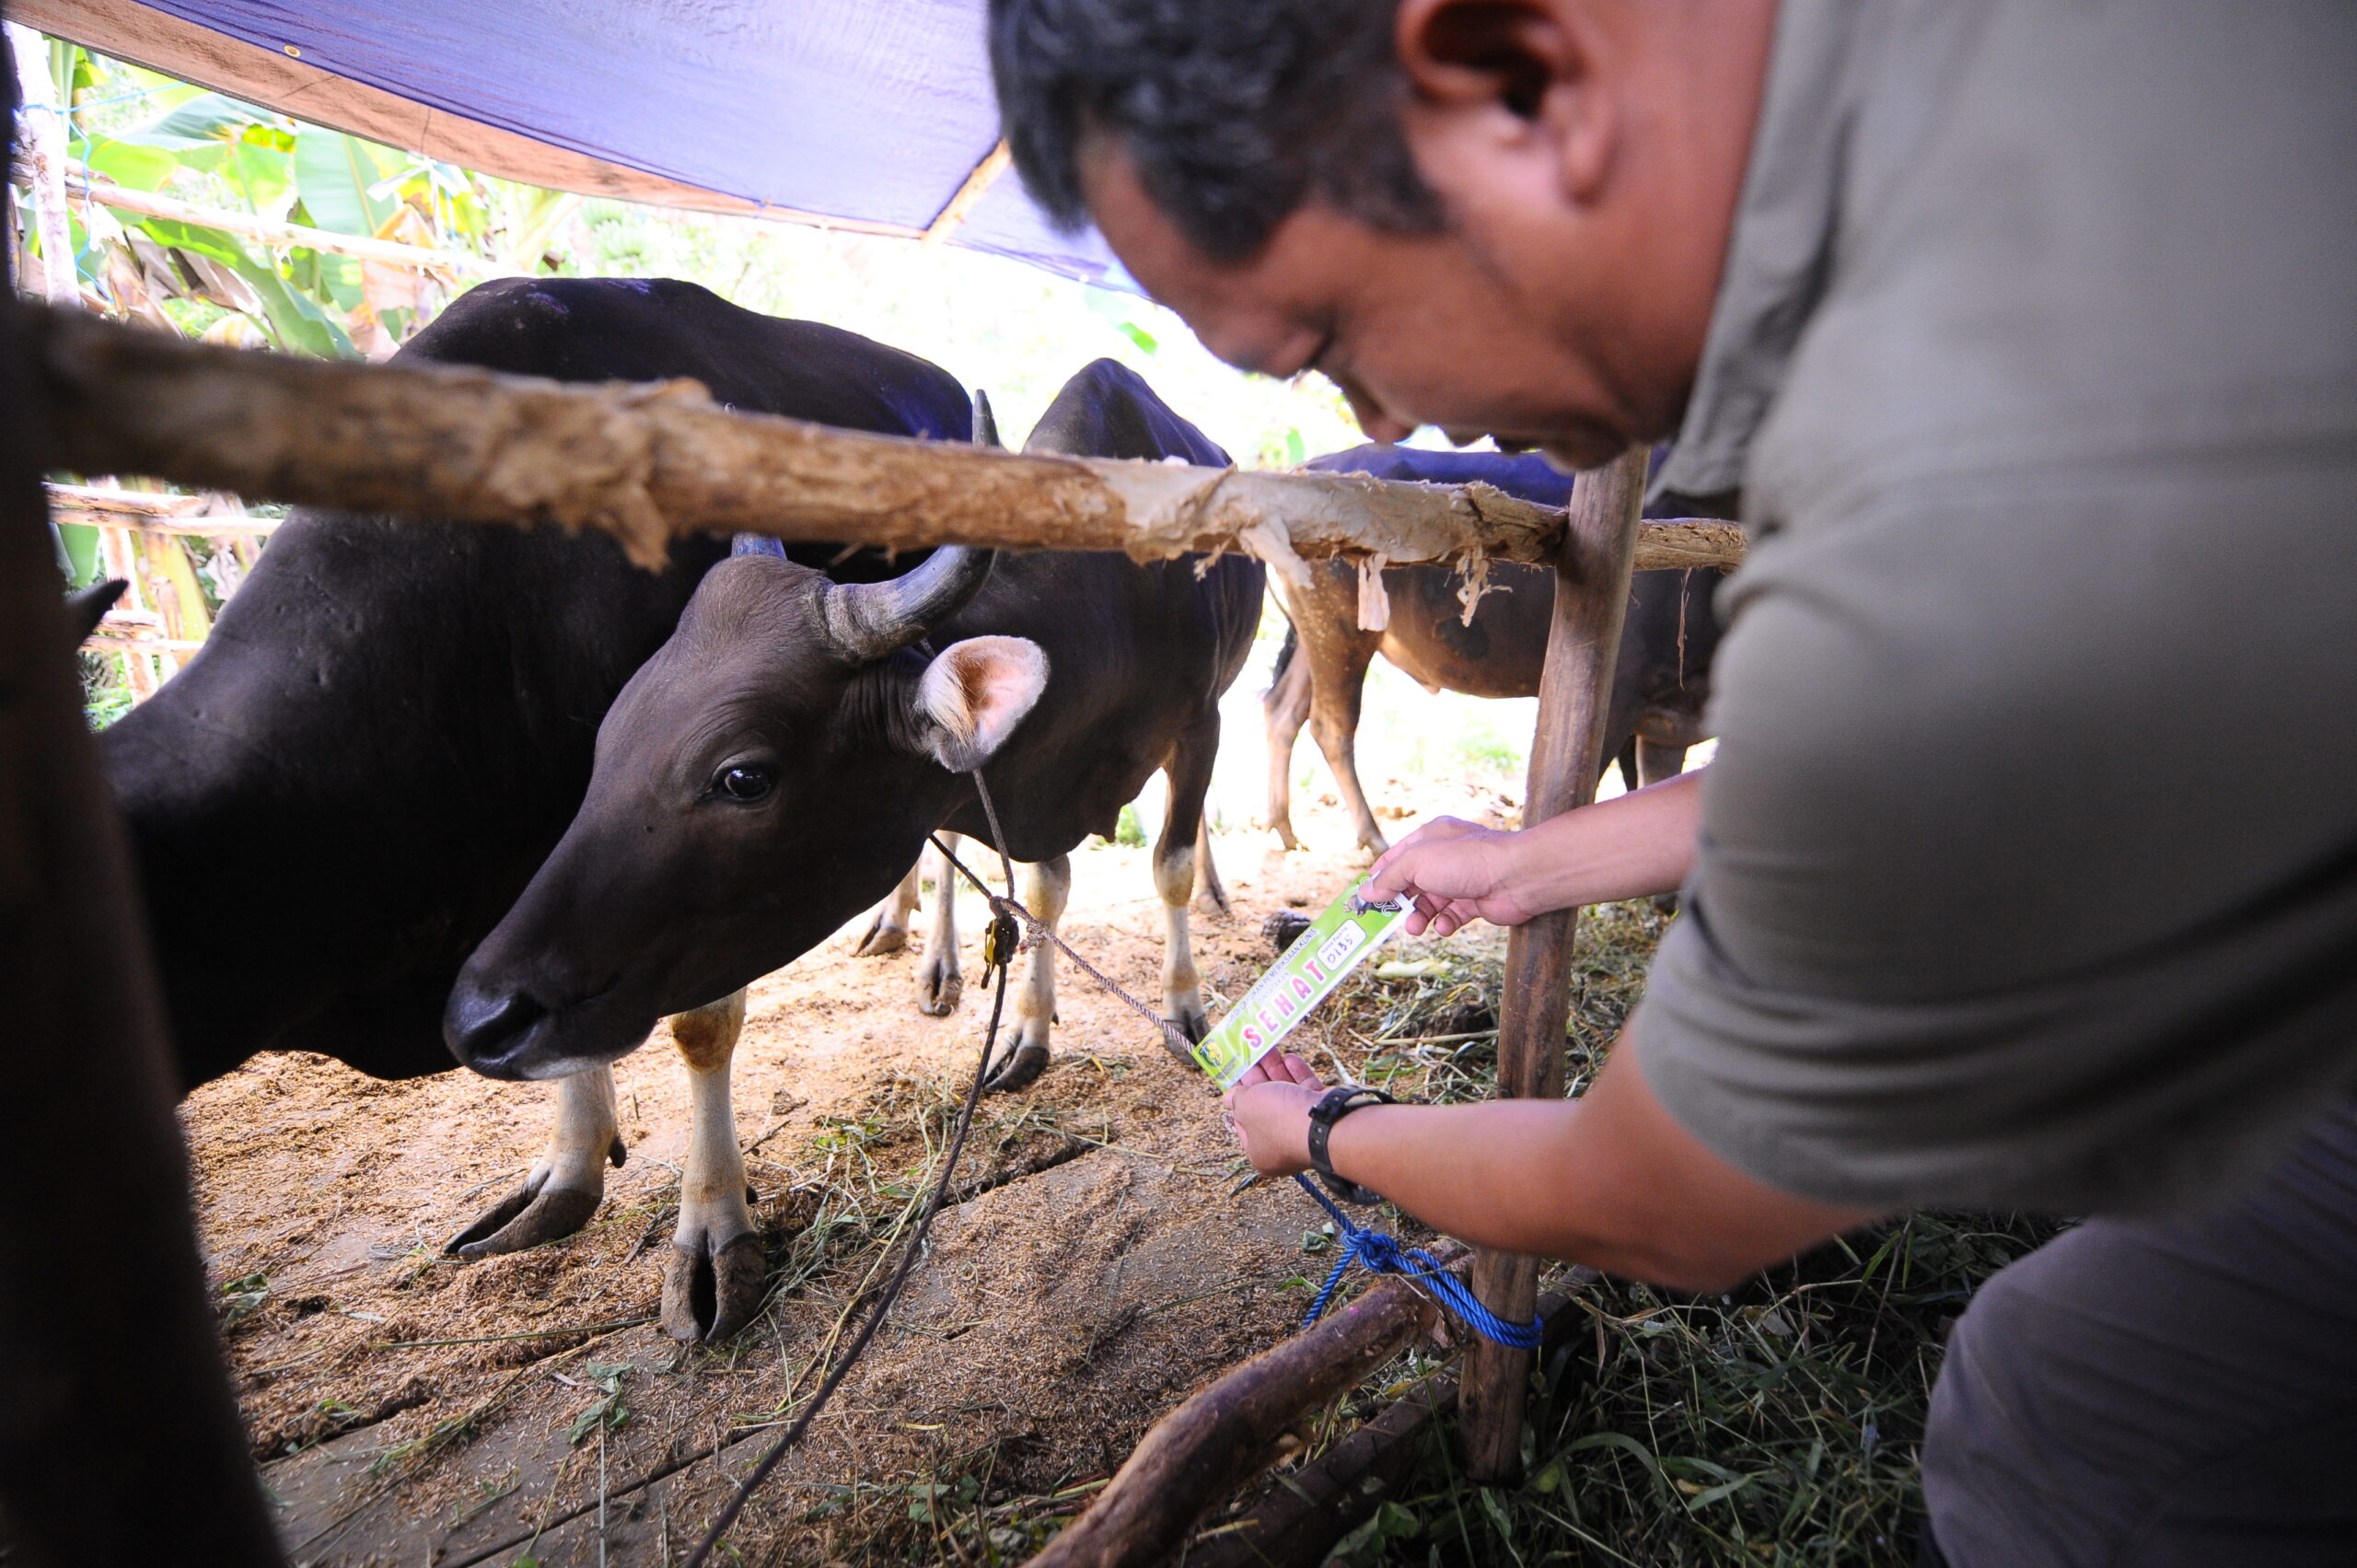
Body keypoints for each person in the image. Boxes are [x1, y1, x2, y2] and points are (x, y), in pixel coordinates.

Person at [988, 0, 2357, 1562]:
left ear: (1506, 73)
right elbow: (1870, 773)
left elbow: (1667, 1193)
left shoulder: (1958, 477)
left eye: (1332, 340)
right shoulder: (2008, 124)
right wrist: (1528, 861)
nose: (1384, 425)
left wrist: (1327, 1128)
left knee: (2056, 1418)